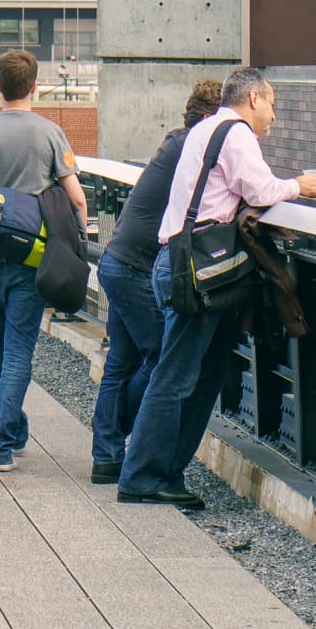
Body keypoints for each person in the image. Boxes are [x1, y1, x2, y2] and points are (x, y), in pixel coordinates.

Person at [116, 68, 316, 509]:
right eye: (271, 103)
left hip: (177, 262)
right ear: (253, 99)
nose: (274, 114)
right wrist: (300, 186)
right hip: (199, 269)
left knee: (206, 372)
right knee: (174, 377)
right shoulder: (236, 134)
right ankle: (143, 478)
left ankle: (165, 472)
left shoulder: (206, 128)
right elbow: (260, 188)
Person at [0, 49, 88, 472]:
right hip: (32, 256)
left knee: (1, 345)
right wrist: (83, 244)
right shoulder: (50, 133)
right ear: (35, 86)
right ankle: (2, 443)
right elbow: (76, 196)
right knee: (20, 348)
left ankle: (14, 427)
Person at [87, 77, 222, 486]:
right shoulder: (194, 149)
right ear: (207, 119)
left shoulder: (176, 144)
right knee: (163, 358)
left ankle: (106, 455)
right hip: (136, 270)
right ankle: (129, 431)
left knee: (120, 364)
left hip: (118, 261)